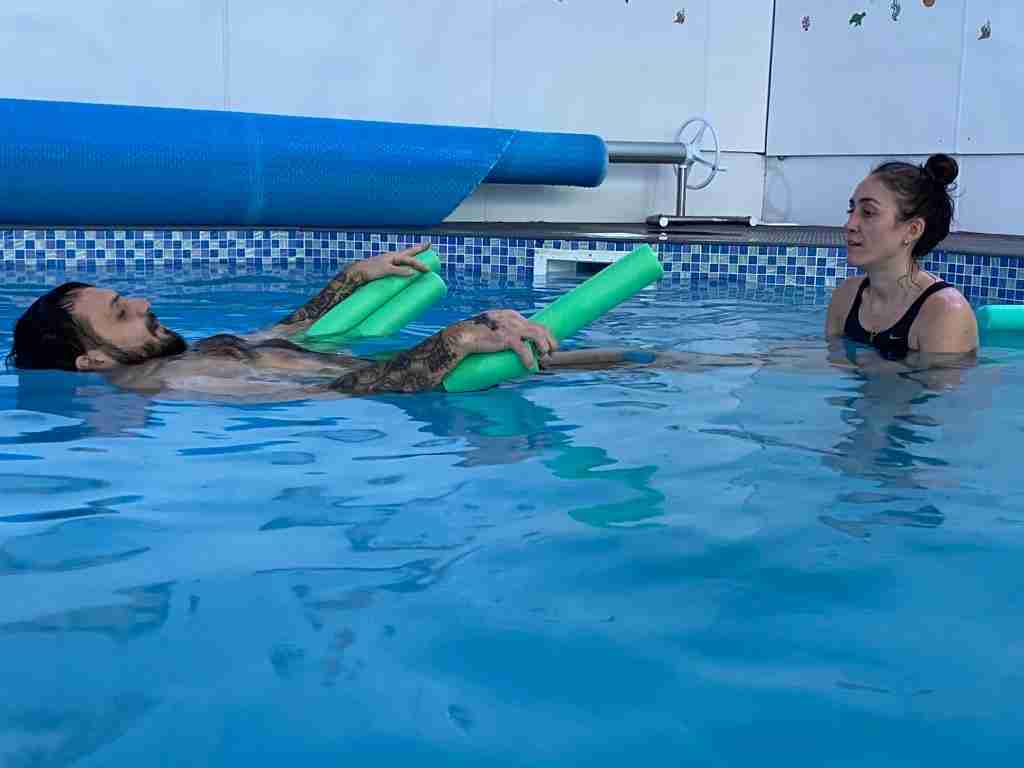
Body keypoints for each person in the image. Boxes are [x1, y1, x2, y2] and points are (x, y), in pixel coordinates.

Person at [6, 242, 566, 399]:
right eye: (120, 313)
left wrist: (354, 278)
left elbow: (287, 331)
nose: (144, 304)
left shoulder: (185, 355)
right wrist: (458, 339)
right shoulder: (172, 380)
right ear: (94, 359)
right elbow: (343, 390)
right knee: (644, 365)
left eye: (128, 297)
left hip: (415, 366)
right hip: (438, 385)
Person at [824, 153, 978, 362]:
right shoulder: (845, 298)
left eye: (868, 212)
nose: (850, 224)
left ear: (913, 230)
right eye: (852, 210)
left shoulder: (945, 313)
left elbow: (940, 391)